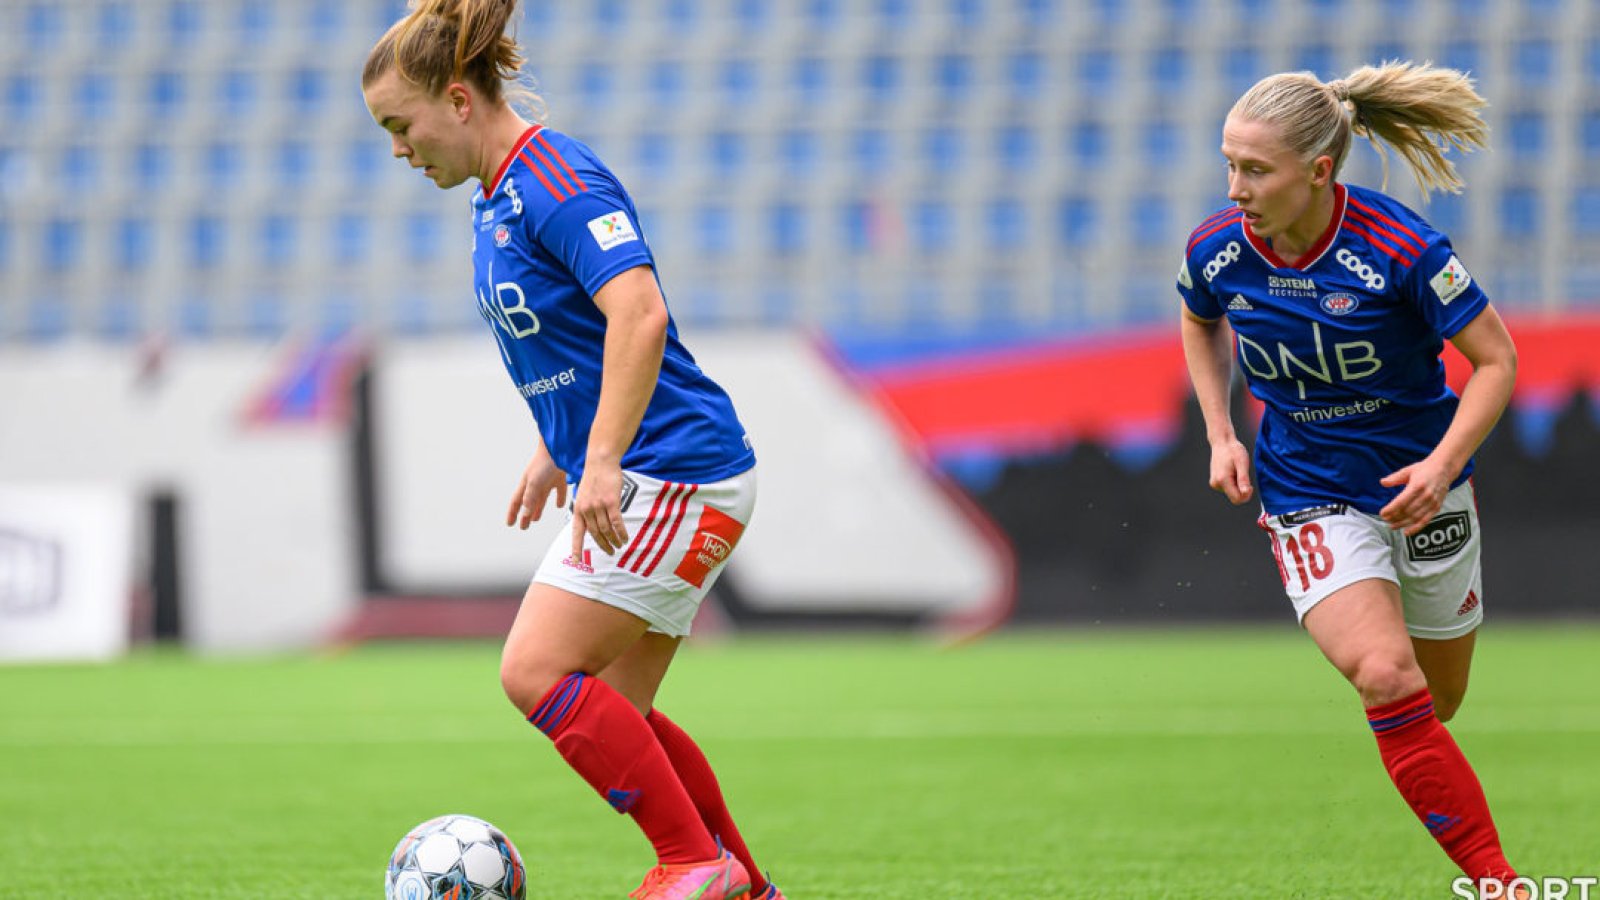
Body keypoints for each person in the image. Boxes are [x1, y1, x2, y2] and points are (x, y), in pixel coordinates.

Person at [362, 3, 782, 897]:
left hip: (672, 468)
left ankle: (692, 865)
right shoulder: (496, 197)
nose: (399, 148)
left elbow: (639, 313)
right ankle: (741, 881)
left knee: (534, 671)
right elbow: (576, 339)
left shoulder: (556, 180)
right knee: (618, 710)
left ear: (460, 100)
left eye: (402, 125)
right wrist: (559, 446)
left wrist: (598, 458)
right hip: (659, 465)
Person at [1177, 62, 1526, 896]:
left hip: (1422, 491)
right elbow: (1199, 319)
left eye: (1255, 170)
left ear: (1319, 172)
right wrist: (1222, 432)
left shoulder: (1399, 249)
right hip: (1304, 491)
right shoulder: (1218, 246)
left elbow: (1497, 361)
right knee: (1384, 675)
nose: (1236, 187)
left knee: (1437, 705)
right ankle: (1499, 882)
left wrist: (1442, 468)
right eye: (1229, 164)